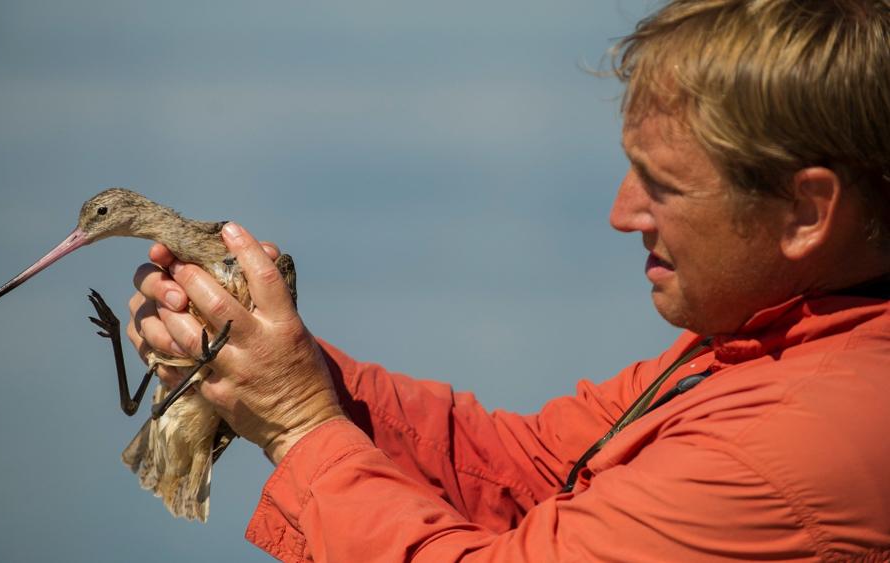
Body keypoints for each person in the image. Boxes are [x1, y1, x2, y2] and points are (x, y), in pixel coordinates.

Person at [127, 0, 890, 560]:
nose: (624, 214)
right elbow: (526, 471)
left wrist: (297, 422)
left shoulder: (783, 453)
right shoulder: (764, 345)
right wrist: (267, 363)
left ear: (806, 210)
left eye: (663, 185)